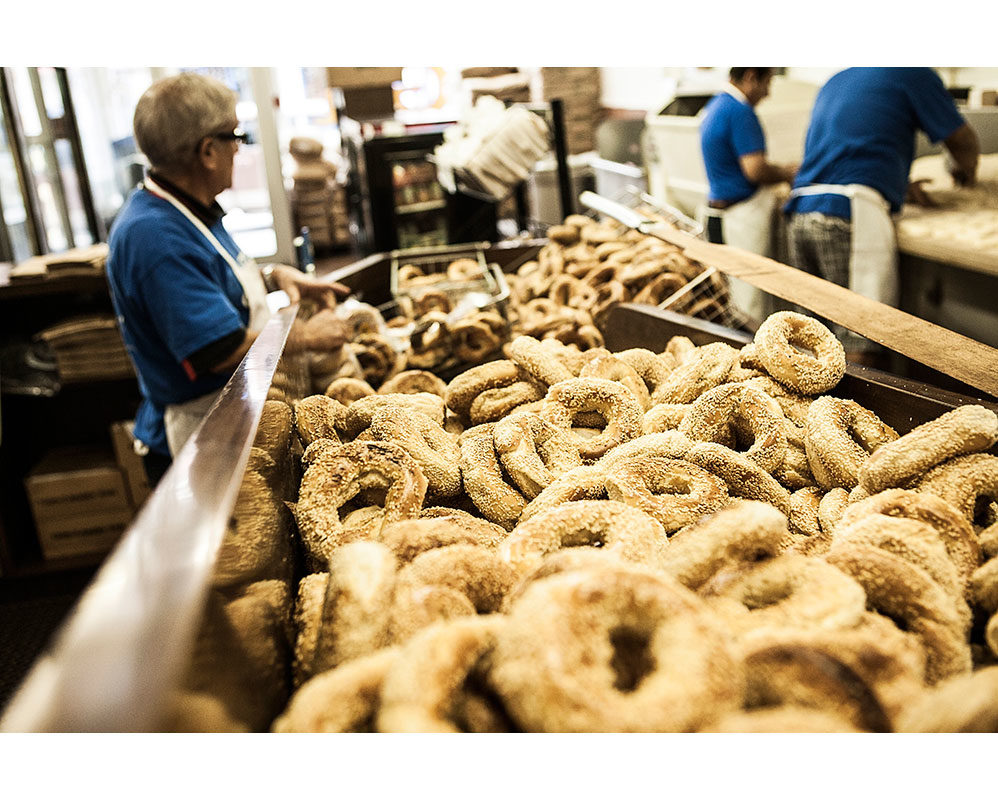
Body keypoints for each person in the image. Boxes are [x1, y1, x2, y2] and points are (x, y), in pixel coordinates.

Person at [107, 72, 349, 486]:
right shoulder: (154, 237)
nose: (239, 148)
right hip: (199, 437)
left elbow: (212, 277)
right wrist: (307, 335)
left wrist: (274, 277)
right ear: (207, 151)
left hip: (229, 414)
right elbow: (217, 348)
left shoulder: (189, 208)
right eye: (235, 135)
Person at [784, 67, 980, 364]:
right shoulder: (912, 72)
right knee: (861, 335)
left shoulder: (838, 79)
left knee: (811, 341)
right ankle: (853, 411)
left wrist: (897, 185)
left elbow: (848, 150)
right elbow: (962, 141)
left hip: (801, 209)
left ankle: (805, 411)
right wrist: (967, 175)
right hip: (849, 212)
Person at [699, 67, 798, 324]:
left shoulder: (715, 106)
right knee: (751, 302)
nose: (768, 93)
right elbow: (755, 169)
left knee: (736, 296)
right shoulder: (740, 111)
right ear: (752, 77)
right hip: (744, 215)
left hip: (720, 211)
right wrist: (787, 172)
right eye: (768, 83)